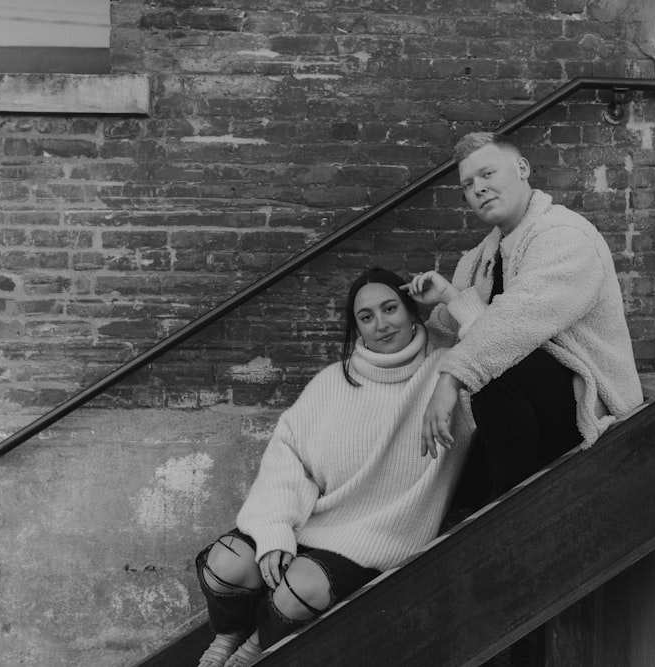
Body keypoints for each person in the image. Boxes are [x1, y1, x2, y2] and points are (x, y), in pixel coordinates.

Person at [193, 268, 474, 667]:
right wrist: (275, 532)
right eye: (366, 316)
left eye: (390, 308)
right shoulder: (333, 382)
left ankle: (253, 648)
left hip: (377, 536)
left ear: (413, 313)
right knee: (227, 563)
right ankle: (227, 634)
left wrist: (449, 295)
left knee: (300, 590)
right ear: (357, 328)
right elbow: (287, 458)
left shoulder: (452, 368)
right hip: (313, 521)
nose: (381, 323)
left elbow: (505, 344)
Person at [403, 131, 644, 501]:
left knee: (496, 375)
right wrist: (438, 303)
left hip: (590, 409)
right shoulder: (478, 260)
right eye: (468, 184)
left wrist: (449, 380)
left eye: (488, 174)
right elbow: (453, 336)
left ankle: (510, 513)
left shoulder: (565, 236)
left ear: (522, 168)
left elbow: (515, 323)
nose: (478, 188)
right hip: (523, 413)